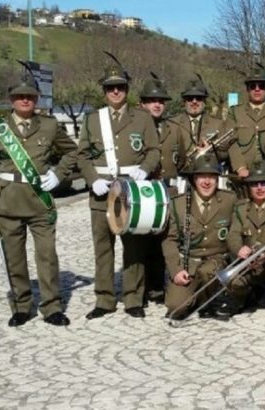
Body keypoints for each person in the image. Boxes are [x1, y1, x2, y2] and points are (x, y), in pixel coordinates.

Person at [0, 66, 77, 327]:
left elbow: (72, 152)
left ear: (36, 99)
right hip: (7, 200)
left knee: (47, 256)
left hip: (39, 201)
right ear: (11, 99)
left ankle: (52, 307)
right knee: (14, 257)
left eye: (30, 96)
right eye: (20, 96)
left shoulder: (50, 126)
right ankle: (21, 306)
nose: (25, 100)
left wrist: (58, 174)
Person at [76, 57, 160, 319]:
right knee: (103, 247)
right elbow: (82, 155)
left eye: (120, 87)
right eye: (110, 87)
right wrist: (92, 179)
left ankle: (133, 297)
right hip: (101, 193)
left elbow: (153, 151)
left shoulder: (142, 118)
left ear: (127, 89)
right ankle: (104, 299)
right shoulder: (92, 120)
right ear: (103, 90)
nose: (115, 92)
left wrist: (144, 170)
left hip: (130, 191)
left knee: (134, 246)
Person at [162, 154, 238, 319]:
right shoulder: (178, 204)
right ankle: (196, 295)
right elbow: (170, 241)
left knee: (207, 271)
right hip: (187, 263)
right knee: (176, 307)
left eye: (211, 176)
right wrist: (176, 270)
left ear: (218, 179)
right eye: (202, 176)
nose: (206, 181)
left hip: (215, 261)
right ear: (193, 179)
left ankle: (208, 299)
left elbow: (250, 207)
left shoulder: (229, 200)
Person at [227, 161, 265, 318]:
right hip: (248, 262)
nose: (260, 188)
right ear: (249, 187)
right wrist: (239, 249)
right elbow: (233, 234)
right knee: (233, 281)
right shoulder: (241, 209)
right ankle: (248, 296)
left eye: (264, 183)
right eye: (255, 184)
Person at [139, 74, 178, 304]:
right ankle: (140, 289)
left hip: (167, 190)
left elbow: (181, 159)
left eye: (161, 101)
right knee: (141, 241)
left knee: (163, 239)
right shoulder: (135, 127)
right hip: (144, 192)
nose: (157, 104)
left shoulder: (174, 128)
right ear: (142, 103)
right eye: (152, 100)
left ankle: (158, 285)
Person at [167, 76, 228, 170]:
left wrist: (211, 151)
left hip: (206, 175)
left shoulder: (218, 124)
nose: (194, 102)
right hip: (180, 174)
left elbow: (225, 154)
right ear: (184, 101)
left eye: (199, 98)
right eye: (190, 98)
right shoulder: (172, 123)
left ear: (204, 101)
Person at [228, 67, 265, 180]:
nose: (257, 89)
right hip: (243, 175)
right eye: (253, 86)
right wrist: (240, 167)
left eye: (261, 86)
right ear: (247, 89)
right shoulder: (235, 112)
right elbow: (230, 142)